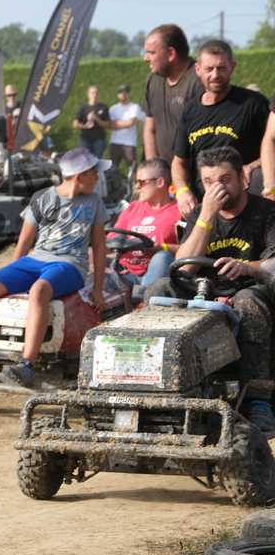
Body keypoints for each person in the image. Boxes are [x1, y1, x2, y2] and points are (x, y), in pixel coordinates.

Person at [144, 146, 275, 431]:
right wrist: (207, 216)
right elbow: (182, 267)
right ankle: (157, 386)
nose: (217, 188)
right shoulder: (200, 214)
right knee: (158, 290)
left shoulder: (267, 212)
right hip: (202, 291)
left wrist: (247, 267)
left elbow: (273, 266)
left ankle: (259, 399)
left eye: (225, 179)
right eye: (208, 181)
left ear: (243, 179)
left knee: (248, 301)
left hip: (250, 291)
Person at [0, 148, 110, 388]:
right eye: (95, 173)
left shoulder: (94, 202)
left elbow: (99, 246)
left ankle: (26, 364)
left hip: (70, 264)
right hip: (35, 260)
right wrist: (11, 278)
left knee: (39, 290)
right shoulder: (43, 197)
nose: (97, 178)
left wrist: (97, 288)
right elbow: (24, 242)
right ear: (81, 175)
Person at [172, 40, 271, 219]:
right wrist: (182, 191)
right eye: (209, 69)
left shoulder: (253, 104)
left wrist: (253, 167)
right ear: (198, 69)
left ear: (232, 67)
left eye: (221, 68)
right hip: (203, 207)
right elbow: (179, 162)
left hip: (243, 206)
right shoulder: (190, 110)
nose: (215, 75)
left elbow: (272, 145)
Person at [110, 158, 181, 291]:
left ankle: (146, 297)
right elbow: (113, 240)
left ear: (160, 182)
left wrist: (161, 247)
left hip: (158, 271)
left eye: (141, 182)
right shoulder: (132, 208)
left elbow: (190, 250)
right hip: (126, 272)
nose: (137, 187)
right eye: (136, 182)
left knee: (162, 257)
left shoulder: (179, 210)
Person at [142, 23, 202, 163]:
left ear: (170, 54)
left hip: (193, 171)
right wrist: (154, 167)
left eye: (151, 53)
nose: (145, 58)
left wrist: (180, 171)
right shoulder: (153, 79)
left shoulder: (199, 81)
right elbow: (150, 128)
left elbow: (206, 136)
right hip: (163, 172)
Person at [108, 85, 144, 174]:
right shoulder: (113, 109)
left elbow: (131, 122)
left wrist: (116, 124)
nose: (123, 94)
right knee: (112, 168)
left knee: (133, 169)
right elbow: (110, 125)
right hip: (115, 142)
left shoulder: (134, 107)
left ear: (128, 94)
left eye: (125, 92)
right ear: (118, 95)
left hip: (129, 143)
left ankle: (135, 183)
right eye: (120, 92)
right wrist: (125, 123)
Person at [73, 85, 111, 160]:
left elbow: (108, 124)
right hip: (85, 139)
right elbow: (75, 124)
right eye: (92, 93)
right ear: (88, 94)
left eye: (96, 93)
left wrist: (96, 118)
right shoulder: (83, 108)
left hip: (99, 139)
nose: (94, 95)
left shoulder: (103, 107)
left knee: (96, 160)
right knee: (85, 160)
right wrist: (85, 126)